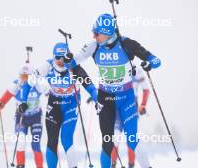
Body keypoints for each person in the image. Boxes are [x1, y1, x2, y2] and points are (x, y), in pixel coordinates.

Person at [65, 13, 161, 167]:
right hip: (106, 99)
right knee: (108, 141)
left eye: (97, 33)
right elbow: (72, 62)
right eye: (93, 32)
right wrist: (69, 60)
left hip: (126, 98)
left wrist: (150, 64)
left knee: (132, 139)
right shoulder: (93, 46)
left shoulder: (127, 44)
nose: (94, 36)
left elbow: (156, 60)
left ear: (108, 32)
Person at [21, 42, 97, 168]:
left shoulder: (74, 67)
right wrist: (23, 101)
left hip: (71, 105)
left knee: (66, 139)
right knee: (52, 140)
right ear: (53, 56)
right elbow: (29, 82)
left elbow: (90, 86)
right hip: (54, 105)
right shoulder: (48, 66)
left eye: (63, 57)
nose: (60, 61)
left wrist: (97, 100)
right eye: (57, 57)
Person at [0, 64, 47, 168]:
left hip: (36, 117)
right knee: (20, 142)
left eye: (26, 77)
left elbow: (49, 93)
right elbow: (3, 100)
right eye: (22, 76)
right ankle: (20, 165)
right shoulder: (16, 86)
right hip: (21, 118)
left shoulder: (38, 85)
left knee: (35, 144)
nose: (24, 80)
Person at [111, 66, 152, 168]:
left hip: (131, 106)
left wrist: (143, 105)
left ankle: (131, 165)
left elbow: (146, 90)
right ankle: (113, 165)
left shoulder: (137, 70)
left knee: (131, 138)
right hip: (116, 107)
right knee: (115, 137)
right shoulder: (114, 66)